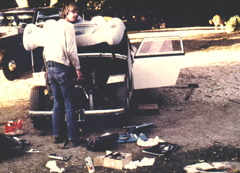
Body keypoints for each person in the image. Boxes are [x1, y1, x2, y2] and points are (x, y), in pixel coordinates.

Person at [43, 3, 83, 147]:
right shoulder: (68, 27)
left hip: (51, 67)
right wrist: (78, 69)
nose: (75, 14)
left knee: (57, 103)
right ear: (65, 13)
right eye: (73, 12)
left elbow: (44, 51)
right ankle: (73, 138)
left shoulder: (52, 27)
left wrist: (47, 67)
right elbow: (71, 51)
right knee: (69, 103)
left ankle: (56, 136)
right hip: (62, 67)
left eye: (77, 12)